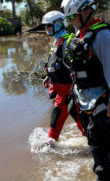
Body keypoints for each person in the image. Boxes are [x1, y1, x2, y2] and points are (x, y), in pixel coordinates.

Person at [60, 0, 110, 181]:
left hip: (102, 101)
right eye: (68, 17)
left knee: (99, 156)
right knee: (98, 140)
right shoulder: (80, 33)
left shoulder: (102, 35)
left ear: (86, 12)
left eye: (72, 16)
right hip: (84, 99)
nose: (70, 21)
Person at [41, 11, 85, 145]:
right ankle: (48, 153)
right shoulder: (56, 42)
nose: (46, 28)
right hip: (60, 96)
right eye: (45, 26)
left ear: (59, 24)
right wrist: (49, 77)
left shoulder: (69, 42)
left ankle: (105, 152)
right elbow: (55, 63)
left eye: (49, 25)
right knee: (53, 129)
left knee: (86, 129)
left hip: (74, 96)